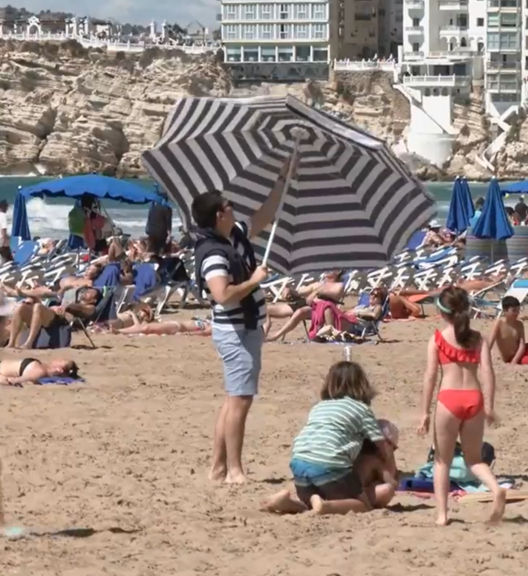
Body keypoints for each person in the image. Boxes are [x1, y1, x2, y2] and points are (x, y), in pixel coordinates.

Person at [192, 163, 288, 484]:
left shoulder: (234, 236)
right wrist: (256, 280)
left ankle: (218, 468)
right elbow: (223, 295)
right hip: (233, 330)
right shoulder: (213, 253)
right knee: (240, 400)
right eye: (228, 206)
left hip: (246, 326)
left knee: (234, 398)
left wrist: (283, 180)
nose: (233, 209)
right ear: (219, 215)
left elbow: (263, 217)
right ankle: (234, 470)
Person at [417, 287, 506, 525]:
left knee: (442, 460)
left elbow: (430, 377)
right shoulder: (478, 339)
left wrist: (425, 412)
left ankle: (442, 514)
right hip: (474, 398)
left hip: (449, 399)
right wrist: (489, 406)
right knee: (474, 460)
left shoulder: (437, 339)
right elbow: (488, 372)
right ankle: (495, 489)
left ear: (441, 311)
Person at [260, 362, 398, 515]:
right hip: (329, 464)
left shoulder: (319, 406)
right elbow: (381, 445)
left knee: (312, 501)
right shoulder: (362, 409)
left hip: (299, 462)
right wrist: (391, 458)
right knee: (363, 505)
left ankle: (287, 503)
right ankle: (326, 508)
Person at [0, 357, 79, 385]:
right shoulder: (42, 367)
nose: (58, 358)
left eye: (62, 360)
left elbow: (14, 381)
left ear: (60, 370)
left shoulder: (39, 371)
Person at [146, 190, 174, 256]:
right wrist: (169, 235)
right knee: (164, 252)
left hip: (151, 232)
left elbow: (149, 220)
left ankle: (150, 263)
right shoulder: (167, 209)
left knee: (152, 251)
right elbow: (168, 223)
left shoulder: (152, 208)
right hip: (161, 233)